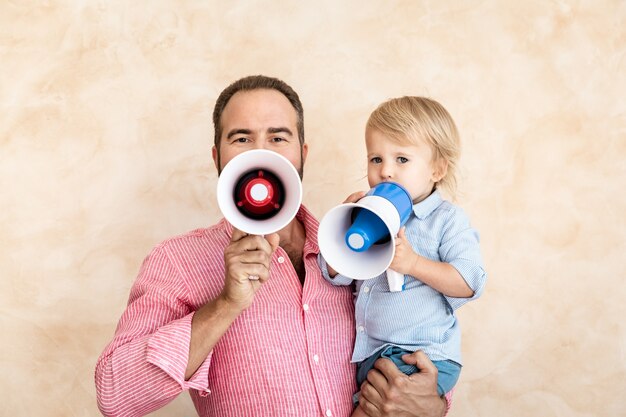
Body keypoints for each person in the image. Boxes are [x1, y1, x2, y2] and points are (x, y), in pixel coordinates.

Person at [95, 76, 452, 417]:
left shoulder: (358, 244)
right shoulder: (177, 262)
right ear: (217, 157)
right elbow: (115, 394)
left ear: (302, 154)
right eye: (242, 139)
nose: (261, 154)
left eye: (278, 138)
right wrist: (225, 305)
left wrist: (434, 405)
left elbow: (417, 339)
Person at [319, 96, 487, 414]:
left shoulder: (446, 220)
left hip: (417, 353)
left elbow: (469, 281)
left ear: (437, 168)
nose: (386, 172)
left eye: (402, 160)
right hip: (372, 354)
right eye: (376, 159)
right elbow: (337, 275)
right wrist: (345, 227)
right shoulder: (366, 212)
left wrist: (414, 264)